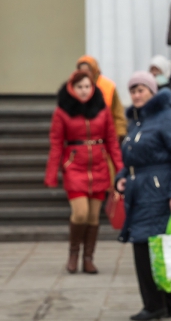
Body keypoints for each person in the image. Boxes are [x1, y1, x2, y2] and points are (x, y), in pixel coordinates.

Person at [115, 72, 171, 321]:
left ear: (152, 91)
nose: (136, 95)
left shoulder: (166, 116)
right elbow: (132, 158)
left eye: (141, 90)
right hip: (140, 191)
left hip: (159, 192)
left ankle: (154, 305)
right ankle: (167, 305)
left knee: (146, 246)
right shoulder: (137, 121)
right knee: (158, 247)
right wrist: (121, 176)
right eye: (133, 91)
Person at [45, 70, 123, 275]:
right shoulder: (63, 111)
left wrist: (120, 169)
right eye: (80, 87)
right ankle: (73, 254)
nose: (84, 91)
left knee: (94, 217)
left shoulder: (102, 109)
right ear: (72, 88)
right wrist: (52, 173)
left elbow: (112, 142)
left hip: (99, 167)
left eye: (87, 86)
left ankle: (88, 258)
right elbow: (56, 144)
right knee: (80, 213)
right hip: (75, 167)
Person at [76, 55, 127, 142]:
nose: (84, 73)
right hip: (81, 140)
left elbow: (118, 114)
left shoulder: (108, 86)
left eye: (88, 70)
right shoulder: (73, 87)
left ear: (94, 71)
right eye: (81, 71)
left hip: (105, 140)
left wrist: (120, 135)